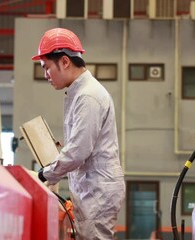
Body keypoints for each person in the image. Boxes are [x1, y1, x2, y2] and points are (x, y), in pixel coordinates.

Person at [32, 28, 125, 239]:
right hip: (93, 189)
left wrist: (44, 174)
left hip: (96, 191)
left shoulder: (87, 97)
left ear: (65, 62)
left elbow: (78, 151)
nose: (46, 74)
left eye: (46, 67)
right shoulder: (80, 94)